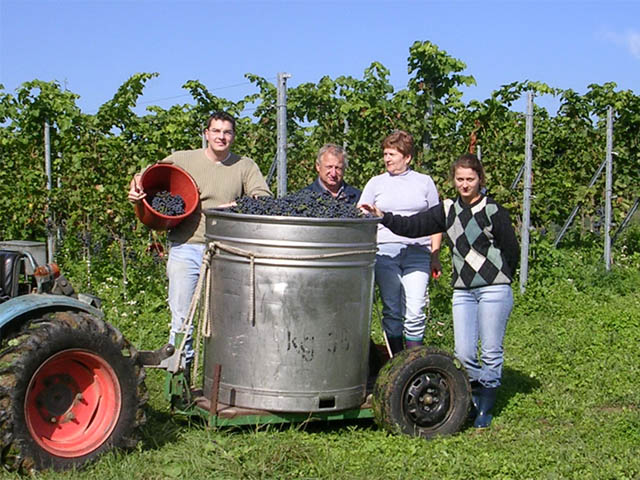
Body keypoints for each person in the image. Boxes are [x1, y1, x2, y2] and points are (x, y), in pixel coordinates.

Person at [360, 153, 519, 428]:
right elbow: (413, 226)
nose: (465, 185)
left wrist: (503, 277)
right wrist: (383, 217)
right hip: (463, 291)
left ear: (480, 179)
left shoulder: (493, 211)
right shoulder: (447, 210)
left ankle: (484, 407)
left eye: (470, 179)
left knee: (491, 350)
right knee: (465, 351)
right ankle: (471, 397)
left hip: (494, 289)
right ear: (453, 180)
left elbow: (511, 249)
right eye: (460, 179)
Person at [128, 111, 272, 377]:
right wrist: (136, 186)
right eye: (216, 131)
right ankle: (180, 375)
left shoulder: (244, 166)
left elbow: (262, 197)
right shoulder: (184, 159)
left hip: (226, 251)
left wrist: (238, 205)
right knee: (182, 317)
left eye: (227, 132)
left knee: (227, 318)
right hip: (186, 247)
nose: (221, 137)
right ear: (206, 134)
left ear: (233, 136)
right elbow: (147, 175)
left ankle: (226, 376)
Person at [358, 130, 442, 355]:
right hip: (386, 253)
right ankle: (396, 362)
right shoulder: (376, 183)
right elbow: (361, 214)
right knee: (392, 310)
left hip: (418, 252)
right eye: (385, 154)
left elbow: (437, 221)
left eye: (392, 154)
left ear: (407, 158)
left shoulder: (424, 182)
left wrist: (435, 255)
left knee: (415, 310)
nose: (387, 159)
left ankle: (413, 361)